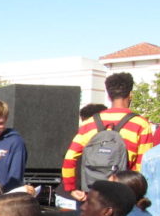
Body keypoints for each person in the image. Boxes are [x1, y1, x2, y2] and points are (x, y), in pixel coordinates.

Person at [61, 72, 153, 200]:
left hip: (93, 193)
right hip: (123, 194)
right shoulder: (141, 124)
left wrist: (71, 188)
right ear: (130, 94)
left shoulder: (90, 122)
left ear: (109, 96)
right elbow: (143, 164)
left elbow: (70, 158)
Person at [0, 97, 28, 192]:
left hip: (3, 197)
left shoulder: (16, 142)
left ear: (6, 119)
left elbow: (15, 178)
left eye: (0, 123)